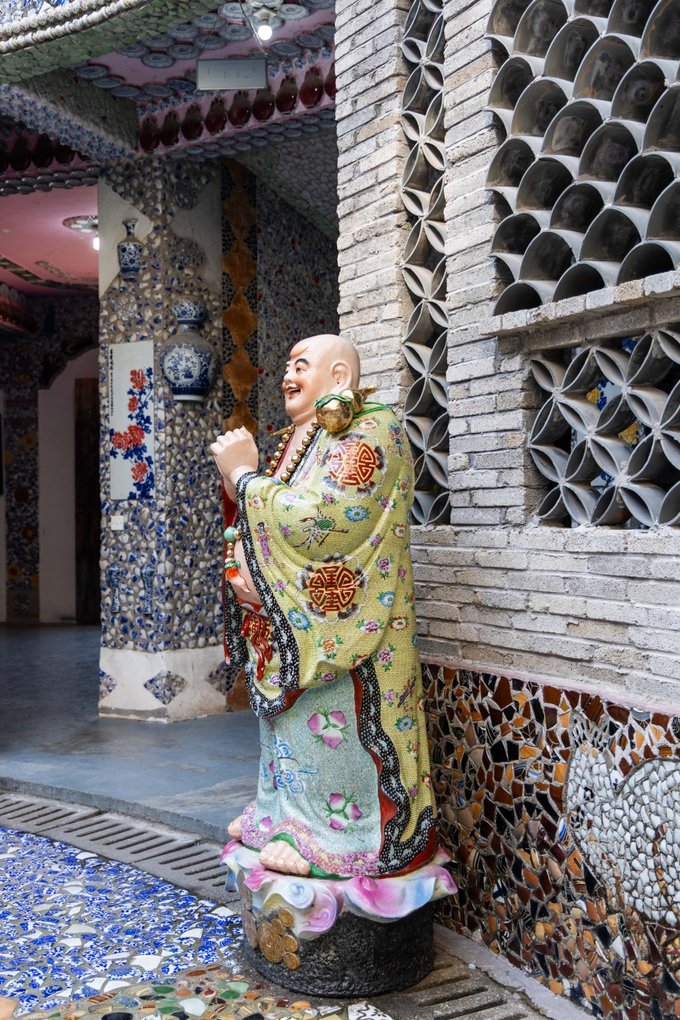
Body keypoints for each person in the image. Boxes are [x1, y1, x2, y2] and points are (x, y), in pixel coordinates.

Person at [210, 333, 438, 879]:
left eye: (301, 365)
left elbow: (327, 522)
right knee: (284, 730)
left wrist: (244, 477)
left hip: (344, 622)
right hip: (285, 621)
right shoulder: (301, 437)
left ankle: (339, 834)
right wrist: (242, 486)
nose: (287, 376)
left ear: (339, 377)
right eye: (287, 365)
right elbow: (266, 521)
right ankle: (281, 815)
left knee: (329, 730)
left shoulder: (372, 430)